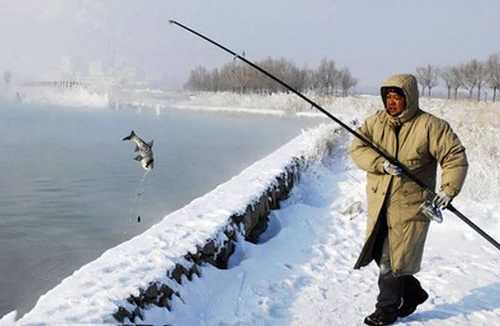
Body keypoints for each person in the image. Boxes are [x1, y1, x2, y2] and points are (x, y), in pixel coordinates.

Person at [350, 74, 468, 325]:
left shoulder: (431, 126)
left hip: (411, 208)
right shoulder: (376, 122)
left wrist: (448, 190)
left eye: (397, 97)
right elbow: (357, 149)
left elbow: (454, 156)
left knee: (390, 261)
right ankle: (413, 292)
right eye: (388, 97)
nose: (391, 103)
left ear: (410, 98)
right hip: (379, 204)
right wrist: (380, 164)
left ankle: (386, 310)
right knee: (380, 254)